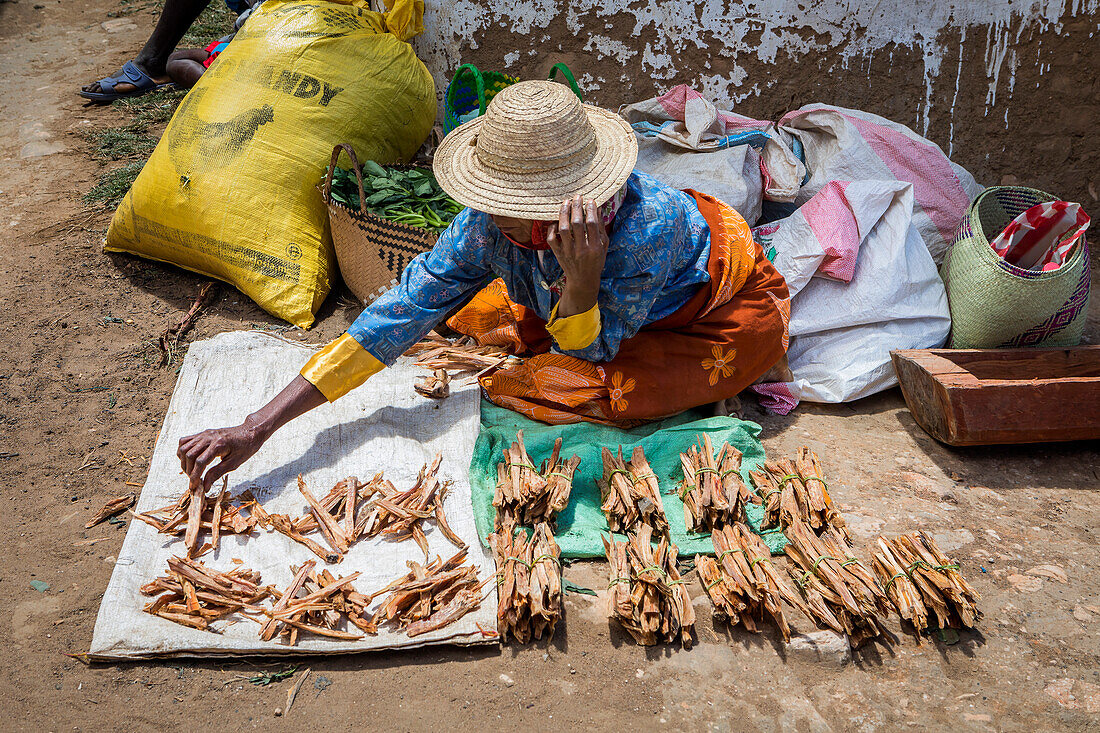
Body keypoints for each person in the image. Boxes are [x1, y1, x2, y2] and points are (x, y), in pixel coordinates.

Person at [177, 80, 790, 490]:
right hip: (581, 293)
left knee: (586, 390)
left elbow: (593, 352)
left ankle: (751, 359)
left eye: (514, 208)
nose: (493, 217)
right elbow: (398, 314)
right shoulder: (485, 227)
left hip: (698, 312)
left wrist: (581, 284)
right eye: (493, 203)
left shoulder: (642, 232)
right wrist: (257, 426)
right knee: (462, 310)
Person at [80, 0, 259, 102]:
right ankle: (154, 65)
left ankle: (220, 86)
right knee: (177, 60)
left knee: (175, 62)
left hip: (258, 39)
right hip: (253, 36)